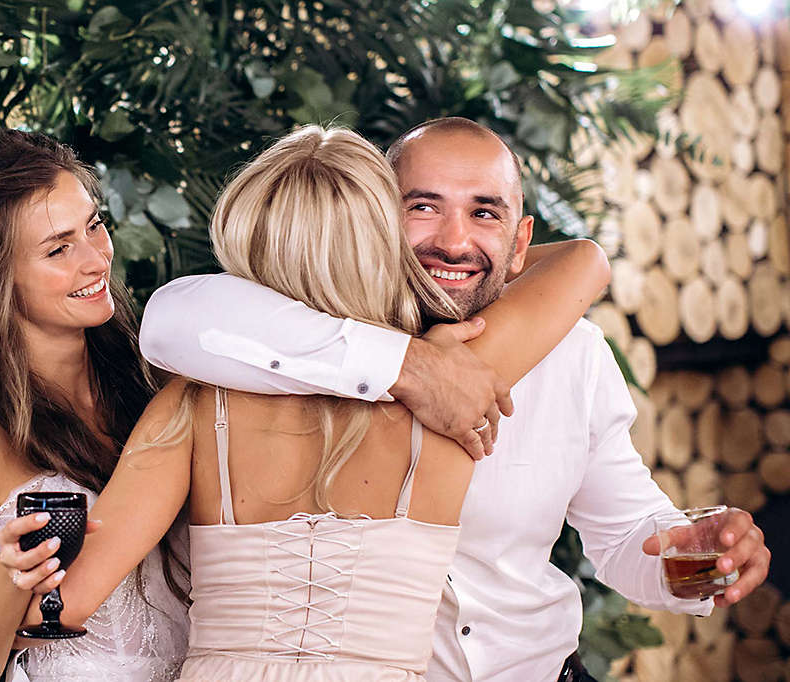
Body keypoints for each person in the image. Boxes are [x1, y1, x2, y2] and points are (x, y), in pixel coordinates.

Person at [138, 118, 772, 682]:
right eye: (423, 206)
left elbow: (628, 534)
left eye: (485, 212)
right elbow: (170, 320)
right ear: (375, 219)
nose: (454, 241)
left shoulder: (574, 354)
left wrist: (690, 557)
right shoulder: (304, 330)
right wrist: (410, 368)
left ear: (522, 243)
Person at [7, 125, 610, 680]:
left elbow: (59, 609)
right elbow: (581, 263)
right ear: (383, 245)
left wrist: (17, 581)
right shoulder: (456, 391)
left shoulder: (192, 408)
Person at [0, 129, 189, 682]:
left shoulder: (157, 383)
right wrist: (9, 580)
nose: (95, 260)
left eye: (94, 226)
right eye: (58, 248)